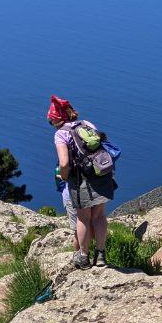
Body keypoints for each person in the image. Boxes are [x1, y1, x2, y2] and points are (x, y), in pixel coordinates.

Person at [49, 95, 115, 267]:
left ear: (56, 119)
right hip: (102, 174)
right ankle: (100, 256)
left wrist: (64, 176)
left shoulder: (61, 134)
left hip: (81, 180)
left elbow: (64, 163)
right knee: (99, 216)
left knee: (83, 218)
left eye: (51, 121)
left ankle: (84, 257)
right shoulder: (87, 124)